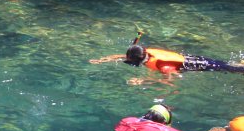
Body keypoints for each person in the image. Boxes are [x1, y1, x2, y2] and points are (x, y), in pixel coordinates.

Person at [90, 40, 244, 83]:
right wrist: (103, 60)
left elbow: (169, 79)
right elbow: (122, 56)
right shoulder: (145, 52)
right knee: (230, 65)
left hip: (196, 65)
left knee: (232, 69)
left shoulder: (161, 65)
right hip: (191, 57)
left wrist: (143, 80)